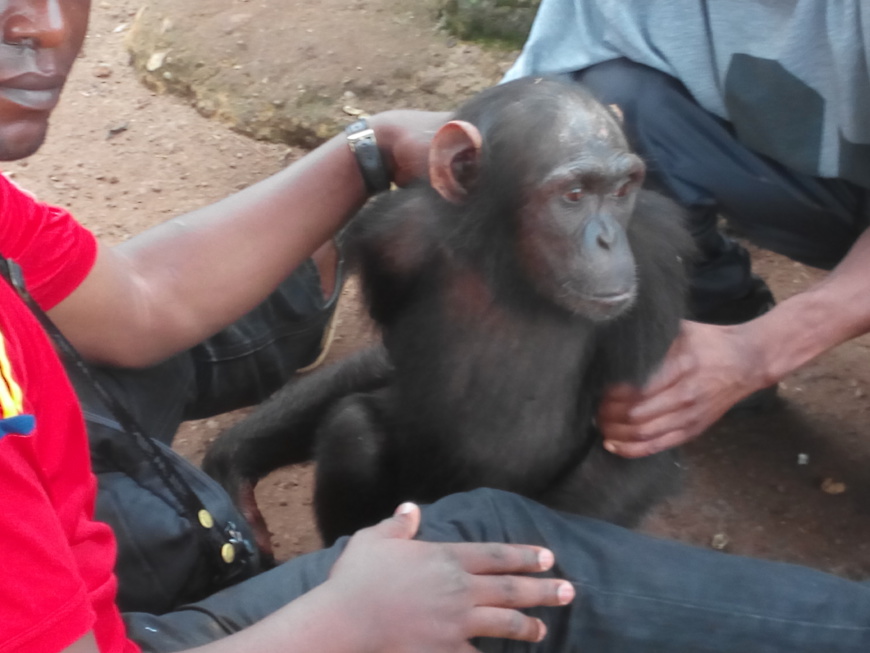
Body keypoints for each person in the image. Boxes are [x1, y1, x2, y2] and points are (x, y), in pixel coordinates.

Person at [3, 2, 870, 653]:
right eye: (574, 196)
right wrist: (343, 612)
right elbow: (392, 375)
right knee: (366, 440)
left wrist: (367, 147)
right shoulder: (407, 240)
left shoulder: (642, 253)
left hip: (549, 479)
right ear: (463, 177)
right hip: (119, 615)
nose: (41, 23)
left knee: (496, 531)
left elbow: (146, 295)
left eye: (620, 189)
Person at [502, 0, 870, 458]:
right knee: (600, 108)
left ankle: (732, 356)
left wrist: (756, 351)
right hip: (805, 192)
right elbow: (524, 122)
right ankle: (705, 330)